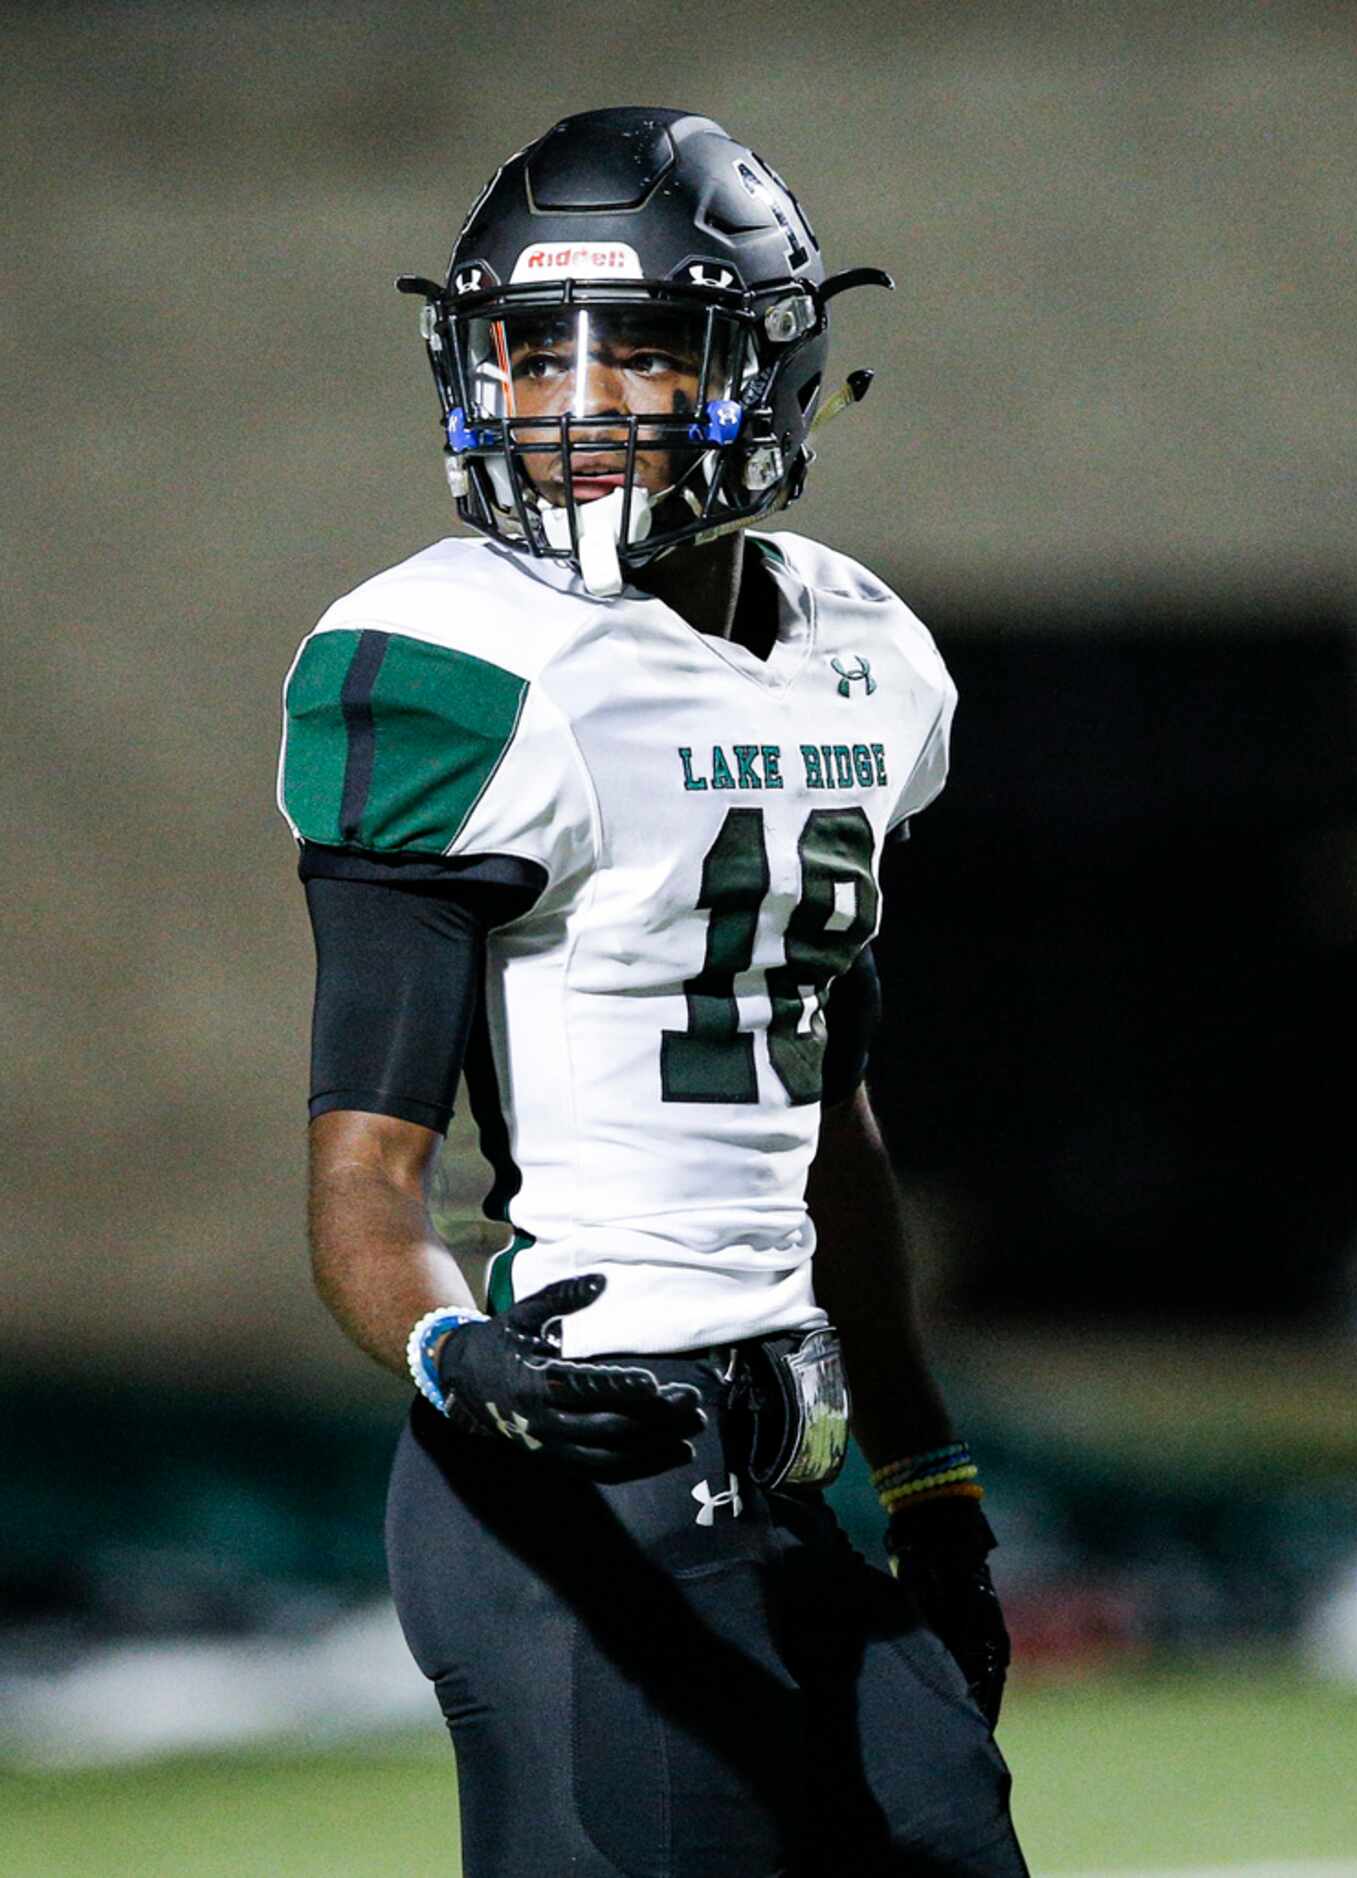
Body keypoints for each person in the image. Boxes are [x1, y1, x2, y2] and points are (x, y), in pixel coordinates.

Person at [278, 106, 1029, 1878]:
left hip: (790, 1463)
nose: (577, 402)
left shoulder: (866, 651)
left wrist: (923, 1473)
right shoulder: (448, 660)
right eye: (536, 354)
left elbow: (822, 1111)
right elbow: (361, 1177)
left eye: (642, 350)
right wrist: (461, 1355)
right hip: (568, 1480)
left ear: (768, 367)